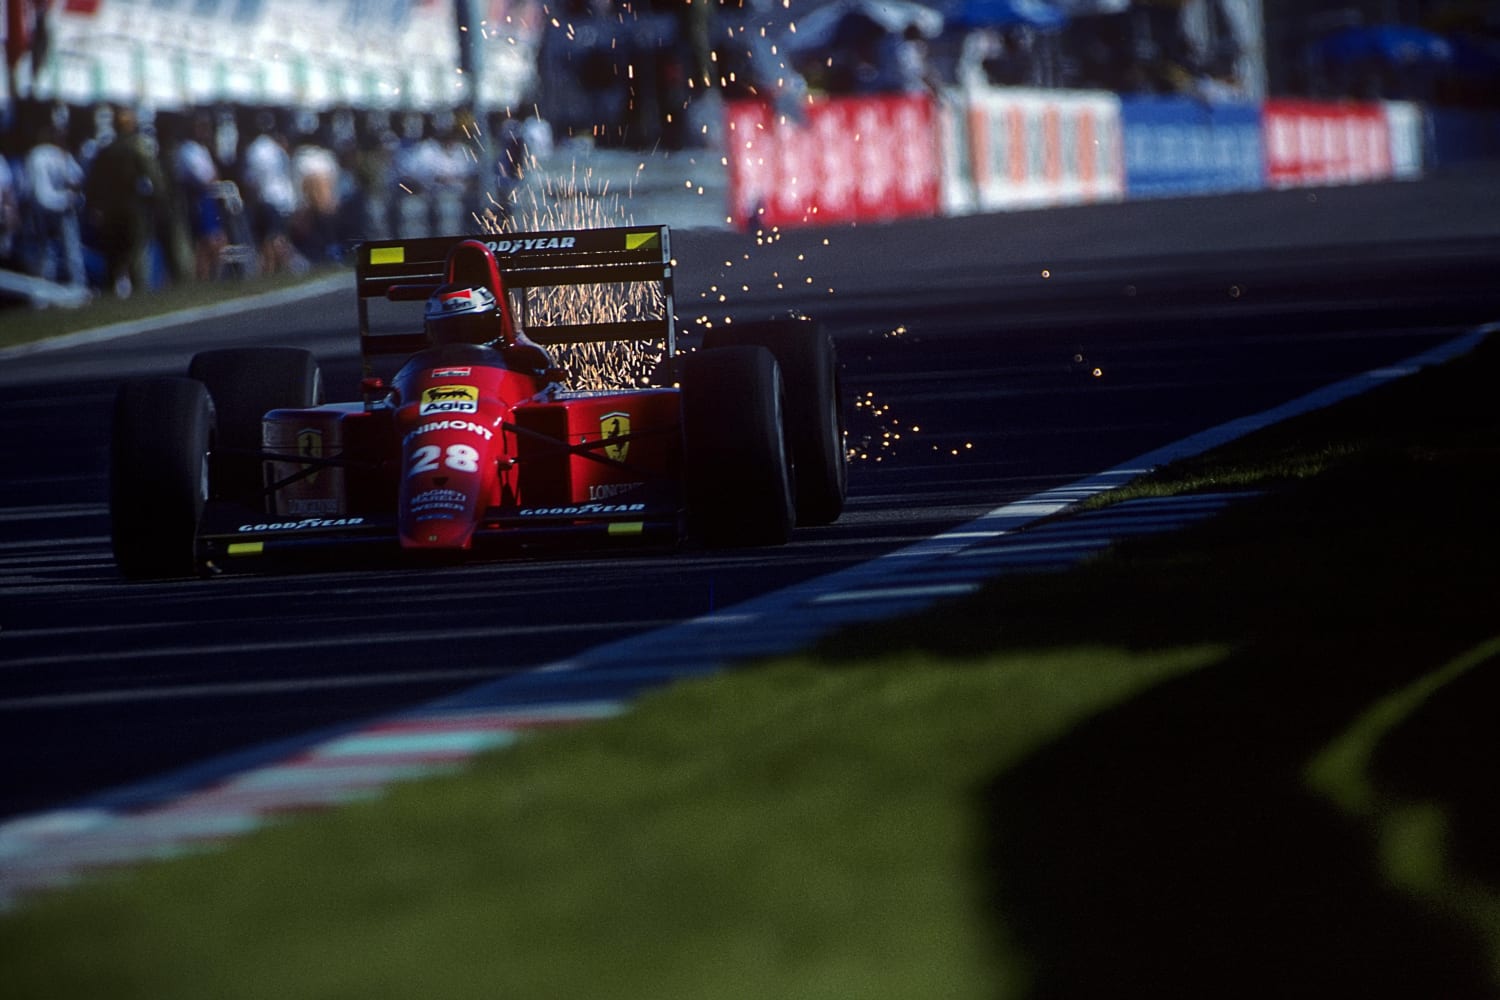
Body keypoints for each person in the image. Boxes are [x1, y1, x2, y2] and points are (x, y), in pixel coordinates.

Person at [423, 240, 555, 373]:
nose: (461, 335)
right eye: (450, 329)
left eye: (471, 328)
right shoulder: (424, 366)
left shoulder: (521, 359)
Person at [84, 106, 164, 297]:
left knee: (114, 256)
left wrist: (95, 206)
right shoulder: (137, 146)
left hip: (111, 208)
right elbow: (154, 177)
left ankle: (112, 294)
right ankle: (140, 294)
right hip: (131, 205)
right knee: (136, 254)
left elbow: (93, 182)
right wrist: (158, 198)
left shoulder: (106, 150)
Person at [24, 122, 86, 289]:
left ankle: (74, 288)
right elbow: (40, 193)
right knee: (47, 252)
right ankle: (48, 292)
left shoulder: (62, 155)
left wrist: (71, 193)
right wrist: (69, 195)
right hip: (46, 209)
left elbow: (77, 179)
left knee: (66, 252)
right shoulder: (38, 155)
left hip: (60, 207)